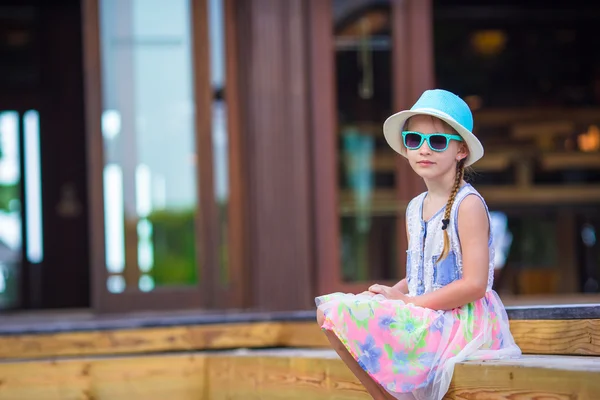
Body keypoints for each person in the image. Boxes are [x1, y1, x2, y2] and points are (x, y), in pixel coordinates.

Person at [315, 89, 521, 400]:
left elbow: (475, 284)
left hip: (461, 321)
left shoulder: (468, 205)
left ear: (461, 150)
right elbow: (421, 277)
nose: (424, 150)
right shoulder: (415, 207)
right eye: (414, 140)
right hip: (428, 311)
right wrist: (395, 293)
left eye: (437, 142)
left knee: (346, 313)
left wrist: (408, 304)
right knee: (330, 315)